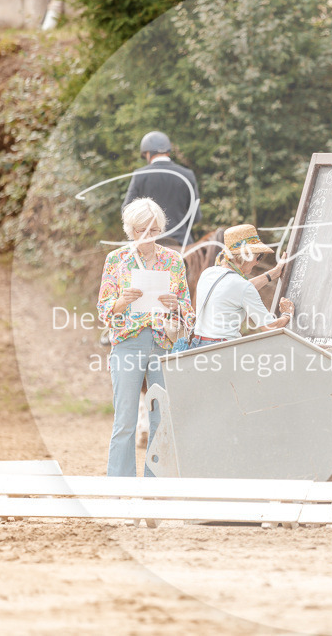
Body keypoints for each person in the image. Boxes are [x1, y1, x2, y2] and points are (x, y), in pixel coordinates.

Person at [97, 197, 194, 476]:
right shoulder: (116, 260)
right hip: (128, 344)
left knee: (161, 420)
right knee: (125, 420)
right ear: (130, 230)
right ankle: (120, 485)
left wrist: (176, 305)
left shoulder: (173, 261)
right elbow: (104, 311)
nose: (148, 236)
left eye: (154, 230)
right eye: (142, 230)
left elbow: (188, 312)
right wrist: (122, 301)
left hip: (163, 344)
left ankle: (155, 484)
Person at [184, 224, 293, 349]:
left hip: (198, 346)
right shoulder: (241, 286)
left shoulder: (208, 273)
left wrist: (273, 273)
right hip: (223, 349)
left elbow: (236, 291)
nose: (258, 262)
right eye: (259, 256)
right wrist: (287, 314)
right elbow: (270, 327)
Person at [123, 131, 202, 250]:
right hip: (181, 243)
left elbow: (126, 211)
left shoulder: (140, 175)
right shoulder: (187, 175)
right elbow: (196, 216)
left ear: (148, 153)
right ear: (168, 152)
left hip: (146, 242)